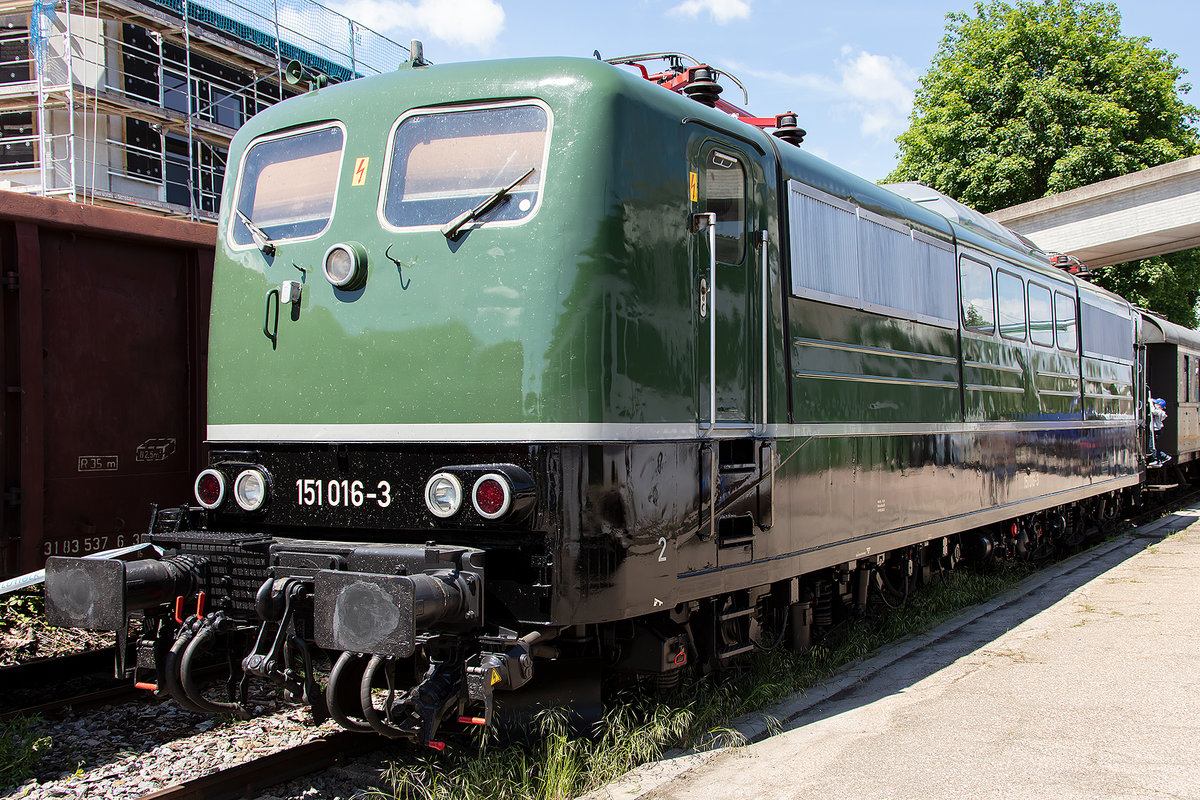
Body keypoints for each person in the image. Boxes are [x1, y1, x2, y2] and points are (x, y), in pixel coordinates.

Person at [1149, 397, 1171, 467]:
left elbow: (1152, 411)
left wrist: (1150, 403)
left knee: (1152, 447)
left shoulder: (1159, 412)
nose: (1154, 404)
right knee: (1153, 446)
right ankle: (1162, 458)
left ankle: (1158, 459)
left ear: (1159, 405)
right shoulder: (1160, 411)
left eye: (1155, 403)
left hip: (1155, 431)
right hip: (1157, 430)